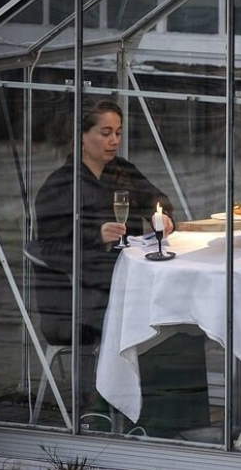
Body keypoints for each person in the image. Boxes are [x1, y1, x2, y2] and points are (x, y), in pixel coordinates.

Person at [34, 100, 209, 436]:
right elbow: (48, 249)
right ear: (82, 137)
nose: (114, 140)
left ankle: (176, 422)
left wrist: (163, 217)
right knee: (155, 320)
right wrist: (93, 235)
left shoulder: (122, 172)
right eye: (105, 133)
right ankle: (126, 415)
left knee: (182, 319)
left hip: (121, 285)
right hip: (77, 297)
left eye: (118, 133)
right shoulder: (61, 185)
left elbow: (157, 199)